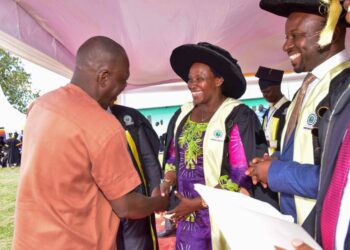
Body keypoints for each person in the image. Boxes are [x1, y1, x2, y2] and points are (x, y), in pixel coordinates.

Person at [12, 36, 168, 250]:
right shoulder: (104, 126)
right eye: (122, 80)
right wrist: (157, 203)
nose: (122, 89)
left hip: (29, 242)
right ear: (104, 77)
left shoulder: (40, 106)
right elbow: (126, 206)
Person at [246, 0, 350, 236]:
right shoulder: (309, 87)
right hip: (296, 227)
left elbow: (340, 180)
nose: (285, 45)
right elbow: (306, 151)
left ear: (331, 34)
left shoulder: (344, 90)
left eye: (296, 36)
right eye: (286, 36)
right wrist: (270, 162)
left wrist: (274, 172)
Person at [160, 42, 277, 249]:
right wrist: (167, 181)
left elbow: (242, 172)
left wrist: (198, 203)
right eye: (190, 79)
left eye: (200, 79)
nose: (192, 84)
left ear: (218, 80)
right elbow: (171, 157)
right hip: (186, 215)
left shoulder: (237, 116)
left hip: (224, 216)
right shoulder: (182, 115)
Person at [108, 104, 162, 250]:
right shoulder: (81, 121)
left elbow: (148, 157)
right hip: (104, 206)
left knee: (139, 244)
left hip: (136, 199)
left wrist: (155, 190)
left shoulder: (129, 117)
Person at [255, 66, 290, 154]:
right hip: (267, 158)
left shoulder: (290, 108)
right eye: (263, 93)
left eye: (267, 91)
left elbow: (290, 141)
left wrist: (267, 143)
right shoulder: (268, 111)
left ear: (277, 87)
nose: (264, 96)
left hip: (282, 160)